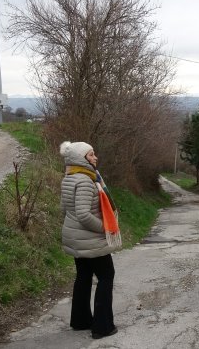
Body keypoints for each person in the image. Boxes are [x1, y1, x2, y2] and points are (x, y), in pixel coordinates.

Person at [60, 141, 119, 339]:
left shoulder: (69, 177)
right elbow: (84, 215)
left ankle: (81, 320)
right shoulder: (86, 181)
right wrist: (105, 228)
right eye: (91, 154)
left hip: (75, 237)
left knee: (83, 277)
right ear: (81, 159)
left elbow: (64, 209)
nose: (96, 157)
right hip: (91, 239)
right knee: (106, 276)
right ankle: (103, 326)